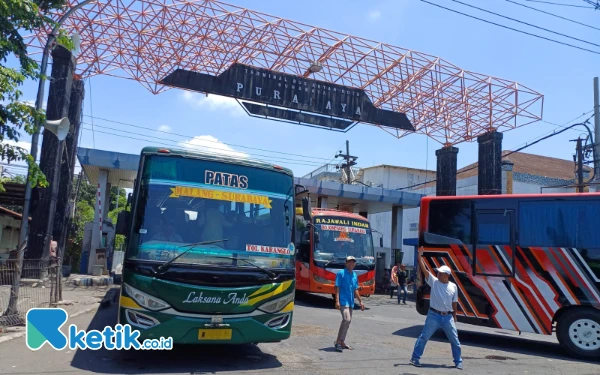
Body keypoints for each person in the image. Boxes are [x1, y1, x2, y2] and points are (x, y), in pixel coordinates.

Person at [410, 256, 463, 369]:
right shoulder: (434, 282)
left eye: (441, 273)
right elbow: (424, 270)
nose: (438, 274)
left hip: (448, 316)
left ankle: (458, 361)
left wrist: (454, 315)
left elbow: (455, 302)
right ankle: (415, 358)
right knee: (424, 337)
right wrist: (419, 257)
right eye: (438, 272)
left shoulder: (453, 287)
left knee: (455, 339)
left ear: (447, 275)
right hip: (434, 315)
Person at [334, 255, 364, 352]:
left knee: (348, 321)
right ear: (346, 263)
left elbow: (355, 289)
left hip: (350, 301)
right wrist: (337, 301)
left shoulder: (354, 275)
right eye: (349, 262)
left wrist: (360, 301)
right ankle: (338, 341)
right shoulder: (341, 273)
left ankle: (342, 341)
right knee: (346, 319)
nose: (351, 264)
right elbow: (337, 287)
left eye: (353, 262)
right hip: (343, 301)